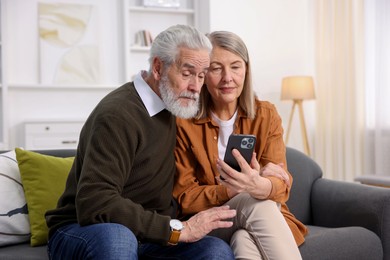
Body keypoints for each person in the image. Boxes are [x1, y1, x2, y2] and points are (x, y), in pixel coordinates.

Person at [45, 25, 237, 260]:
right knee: (119, 239)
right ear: (158, 68)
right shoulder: (118, 114)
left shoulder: (174, 105)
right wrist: (177, 230)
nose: (196, 87)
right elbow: (96, 201)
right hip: (84, 229)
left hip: (146, 235)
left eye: (201, 75)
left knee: (216, 251)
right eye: (187, 73)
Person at [173, 31, 308, 260]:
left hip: (255, 220)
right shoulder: (183, 123)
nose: (228, 78)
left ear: (246, 69)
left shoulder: (266, 115)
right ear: (204, 74)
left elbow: (281, 182)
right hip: (213, 221)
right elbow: (184, 196)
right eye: (216, 68)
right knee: (258, 204)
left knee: (244, 239)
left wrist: (259, 183)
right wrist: (234, 189)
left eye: (235, 67)